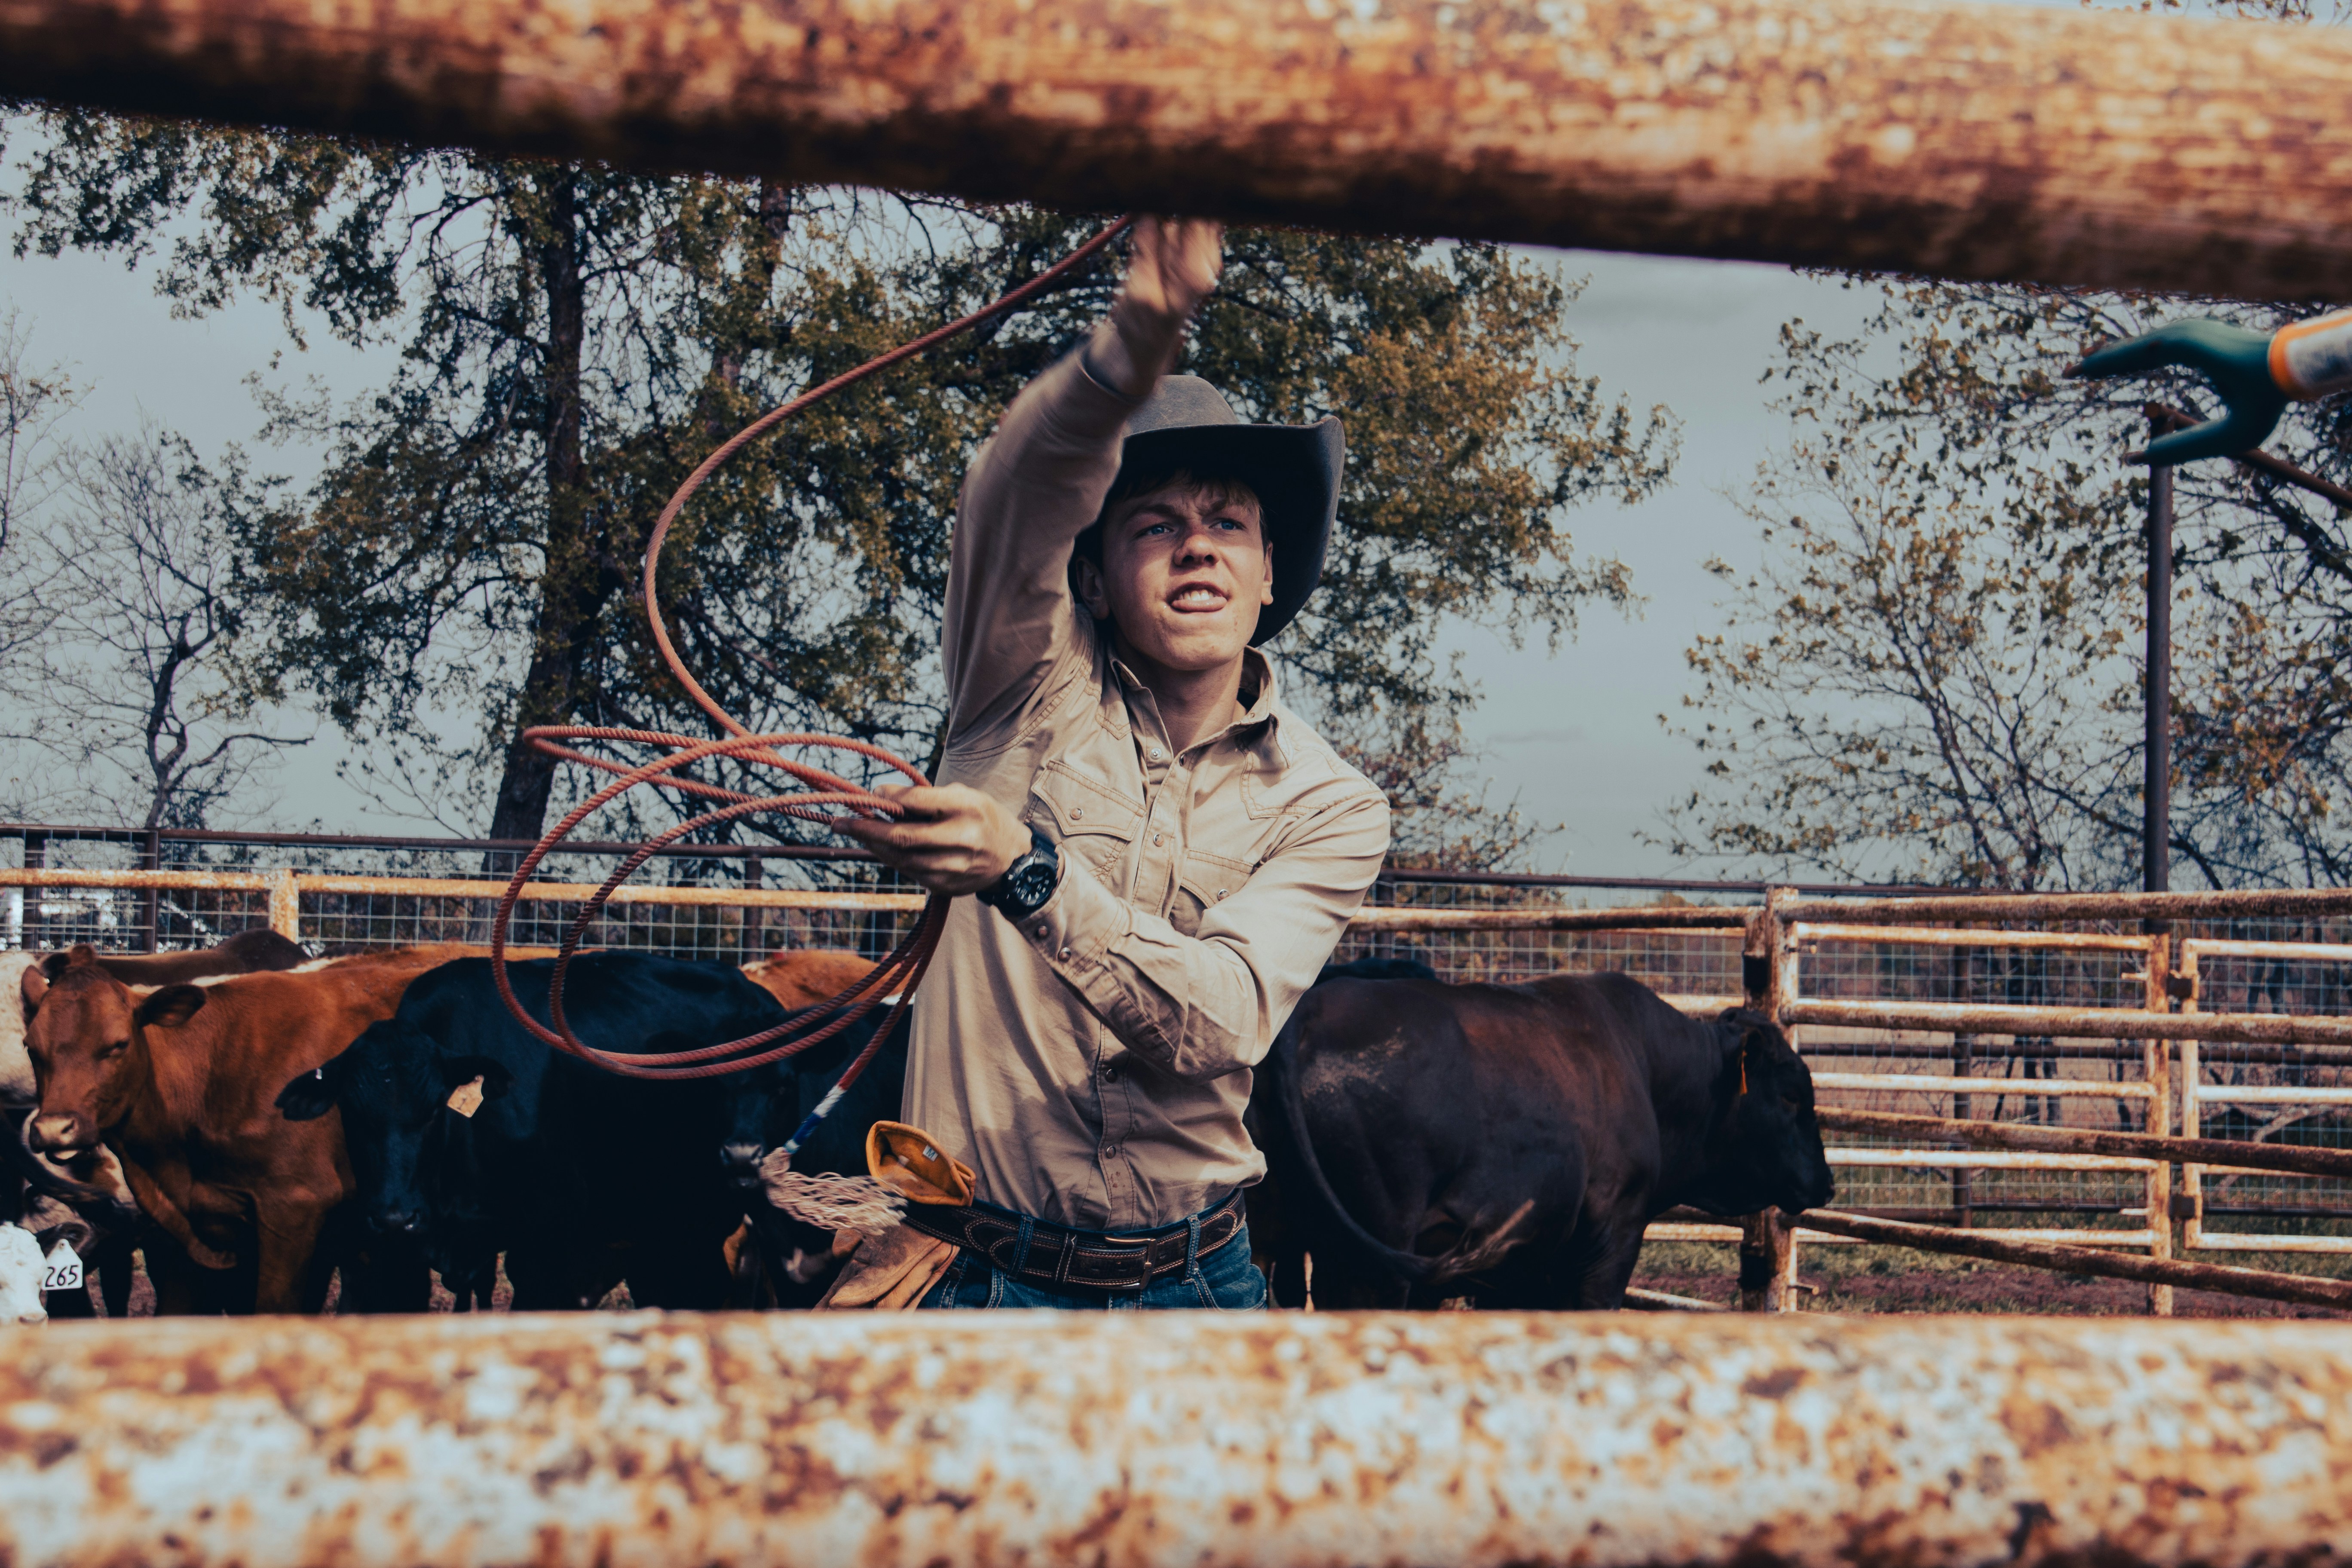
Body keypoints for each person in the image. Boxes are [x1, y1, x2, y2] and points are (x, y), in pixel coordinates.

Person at [830, 217, 1392, 1309]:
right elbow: (1021, 490)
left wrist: (1021, 868)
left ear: (1269, 574)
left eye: (1229, 523)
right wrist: (1135, 345)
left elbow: (1221, 1018)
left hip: (1201, 1282)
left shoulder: (1332, 805)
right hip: (986, 1277)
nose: (1197, 544)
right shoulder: (1019, 687)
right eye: (1154, 524)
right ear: (1091, 579)